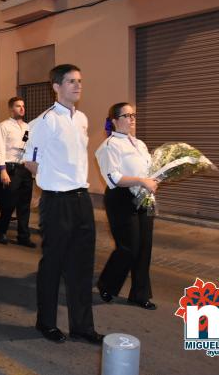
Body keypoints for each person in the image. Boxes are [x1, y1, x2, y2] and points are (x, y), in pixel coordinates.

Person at [23, 64, 103, 344]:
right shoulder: (45, 121)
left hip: (81, 199)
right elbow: (30, 161)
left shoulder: (81, 118)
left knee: (82, 266)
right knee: (53, 264)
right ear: (56, 87)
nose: (77, 86)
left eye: (80, 81)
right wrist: (49, 183)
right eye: (71, 81)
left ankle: (82, 326)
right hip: (57, 201)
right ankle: (45, 323)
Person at [95, 102, 158, 310]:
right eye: (126, 115)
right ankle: (107, 284)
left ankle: (140, 295)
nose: (131, 119)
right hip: (121, 199)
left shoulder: (139, 144)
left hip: (144, 198)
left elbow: (147, 171)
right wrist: (141, 182)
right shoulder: (109, 146)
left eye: (133, 115)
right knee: (128, 247)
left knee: (144, 247)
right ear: (114, 120)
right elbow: (114, 178)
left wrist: (155, 179)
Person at [0, 97, 35, 248]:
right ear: (11, 109)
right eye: (18, 106)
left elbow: (31, 147)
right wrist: (2, 170)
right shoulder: (4, 126)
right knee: (9, 203)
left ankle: (23, 236)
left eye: (23, 106)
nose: (22, 108)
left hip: (25, 168)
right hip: (11, 168)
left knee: (24, 205)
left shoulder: (27, 126)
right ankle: (2, 230)